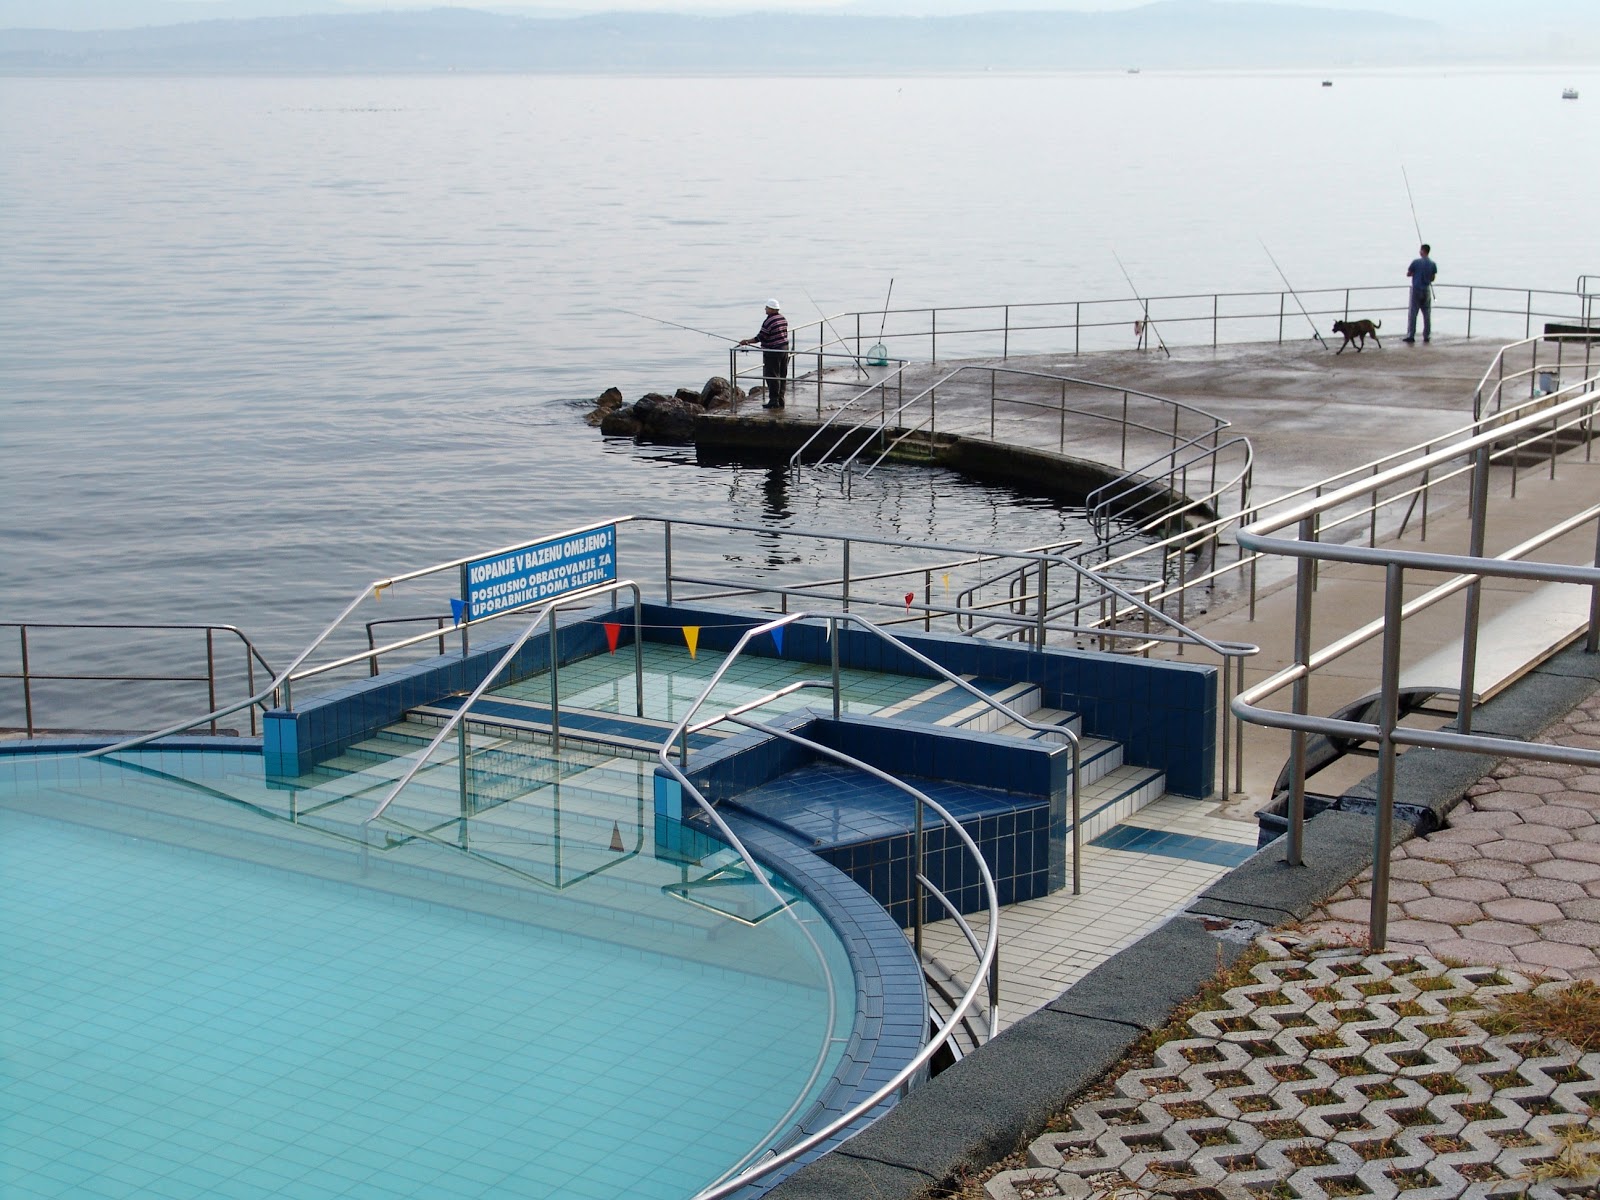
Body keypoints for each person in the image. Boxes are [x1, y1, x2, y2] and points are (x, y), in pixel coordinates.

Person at [739, 299, 789, 409]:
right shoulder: (782, 318)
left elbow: (760, 337)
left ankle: (774, 401)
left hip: (773, 352)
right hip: (784, 349)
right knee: (782, 375)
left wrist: (746, 341)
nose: (765, 309)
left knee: (772, 376)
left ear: (771, 309)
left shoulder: (769, 321)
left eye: (766, 307)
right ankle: (781, 399)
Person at [1404, 244, 1437, 344]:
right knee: (1427, 313)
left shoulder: (1416, 262)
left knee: (1413, 313)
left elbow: (1408, 274)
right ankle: (1426, 335)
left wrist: (1415, 274)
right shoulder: (1432, 263)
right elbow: (1432, 278)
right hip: (1426, 290)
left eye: (1420, 250)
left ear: (1422, 251)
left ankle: (1411, 335)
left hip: (1416, 290)